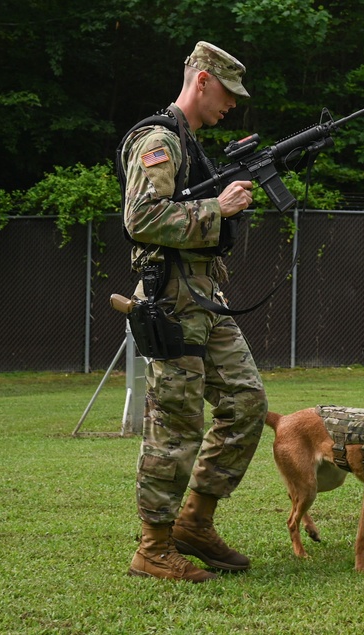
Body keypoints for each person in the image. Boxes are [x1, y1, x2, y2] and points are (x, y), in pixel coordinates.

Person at [118, 41, 267, 583]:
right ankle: (153, 548)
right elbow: (141, 218)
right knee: (176, 422)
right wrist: (216, 207)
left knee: (247, 401)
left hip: (206, 293)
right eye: (228, 93)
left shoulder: (191, 144)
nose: (232, 105)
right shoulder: (159, 141)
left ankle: (195, 522)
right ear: (202, 81)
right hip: (174, 298)